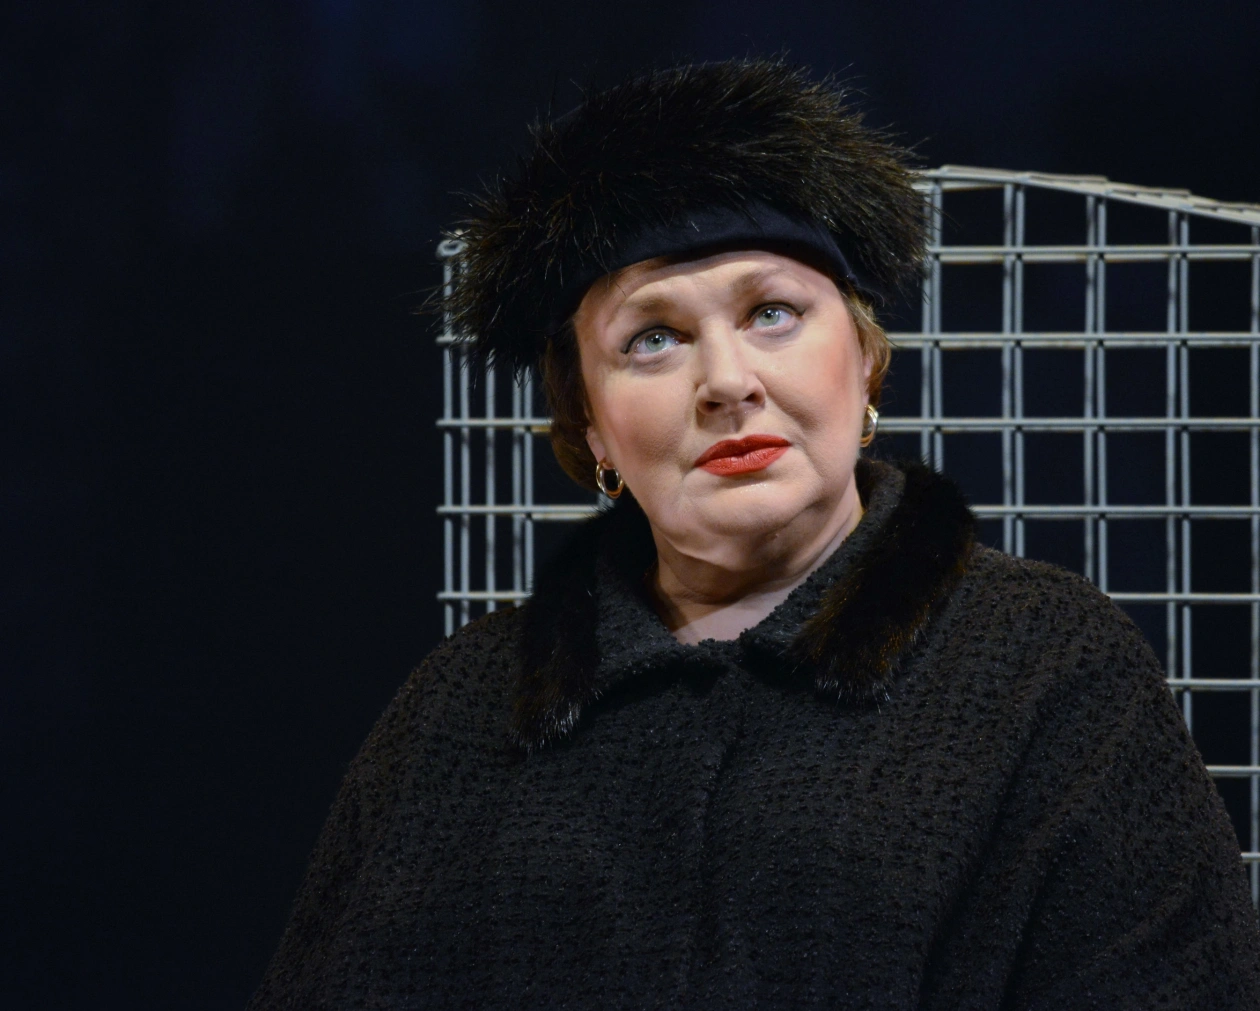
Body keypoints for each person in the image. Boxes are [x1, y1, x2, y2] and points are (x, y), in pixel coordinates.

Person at [248, 60, 1260, 1009]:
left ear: (865, 359)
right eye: (653, 338)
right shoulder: (463, 707)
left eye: (773, 312)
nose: (727, 381)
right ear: (591, 423)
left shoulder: (1050, 670)